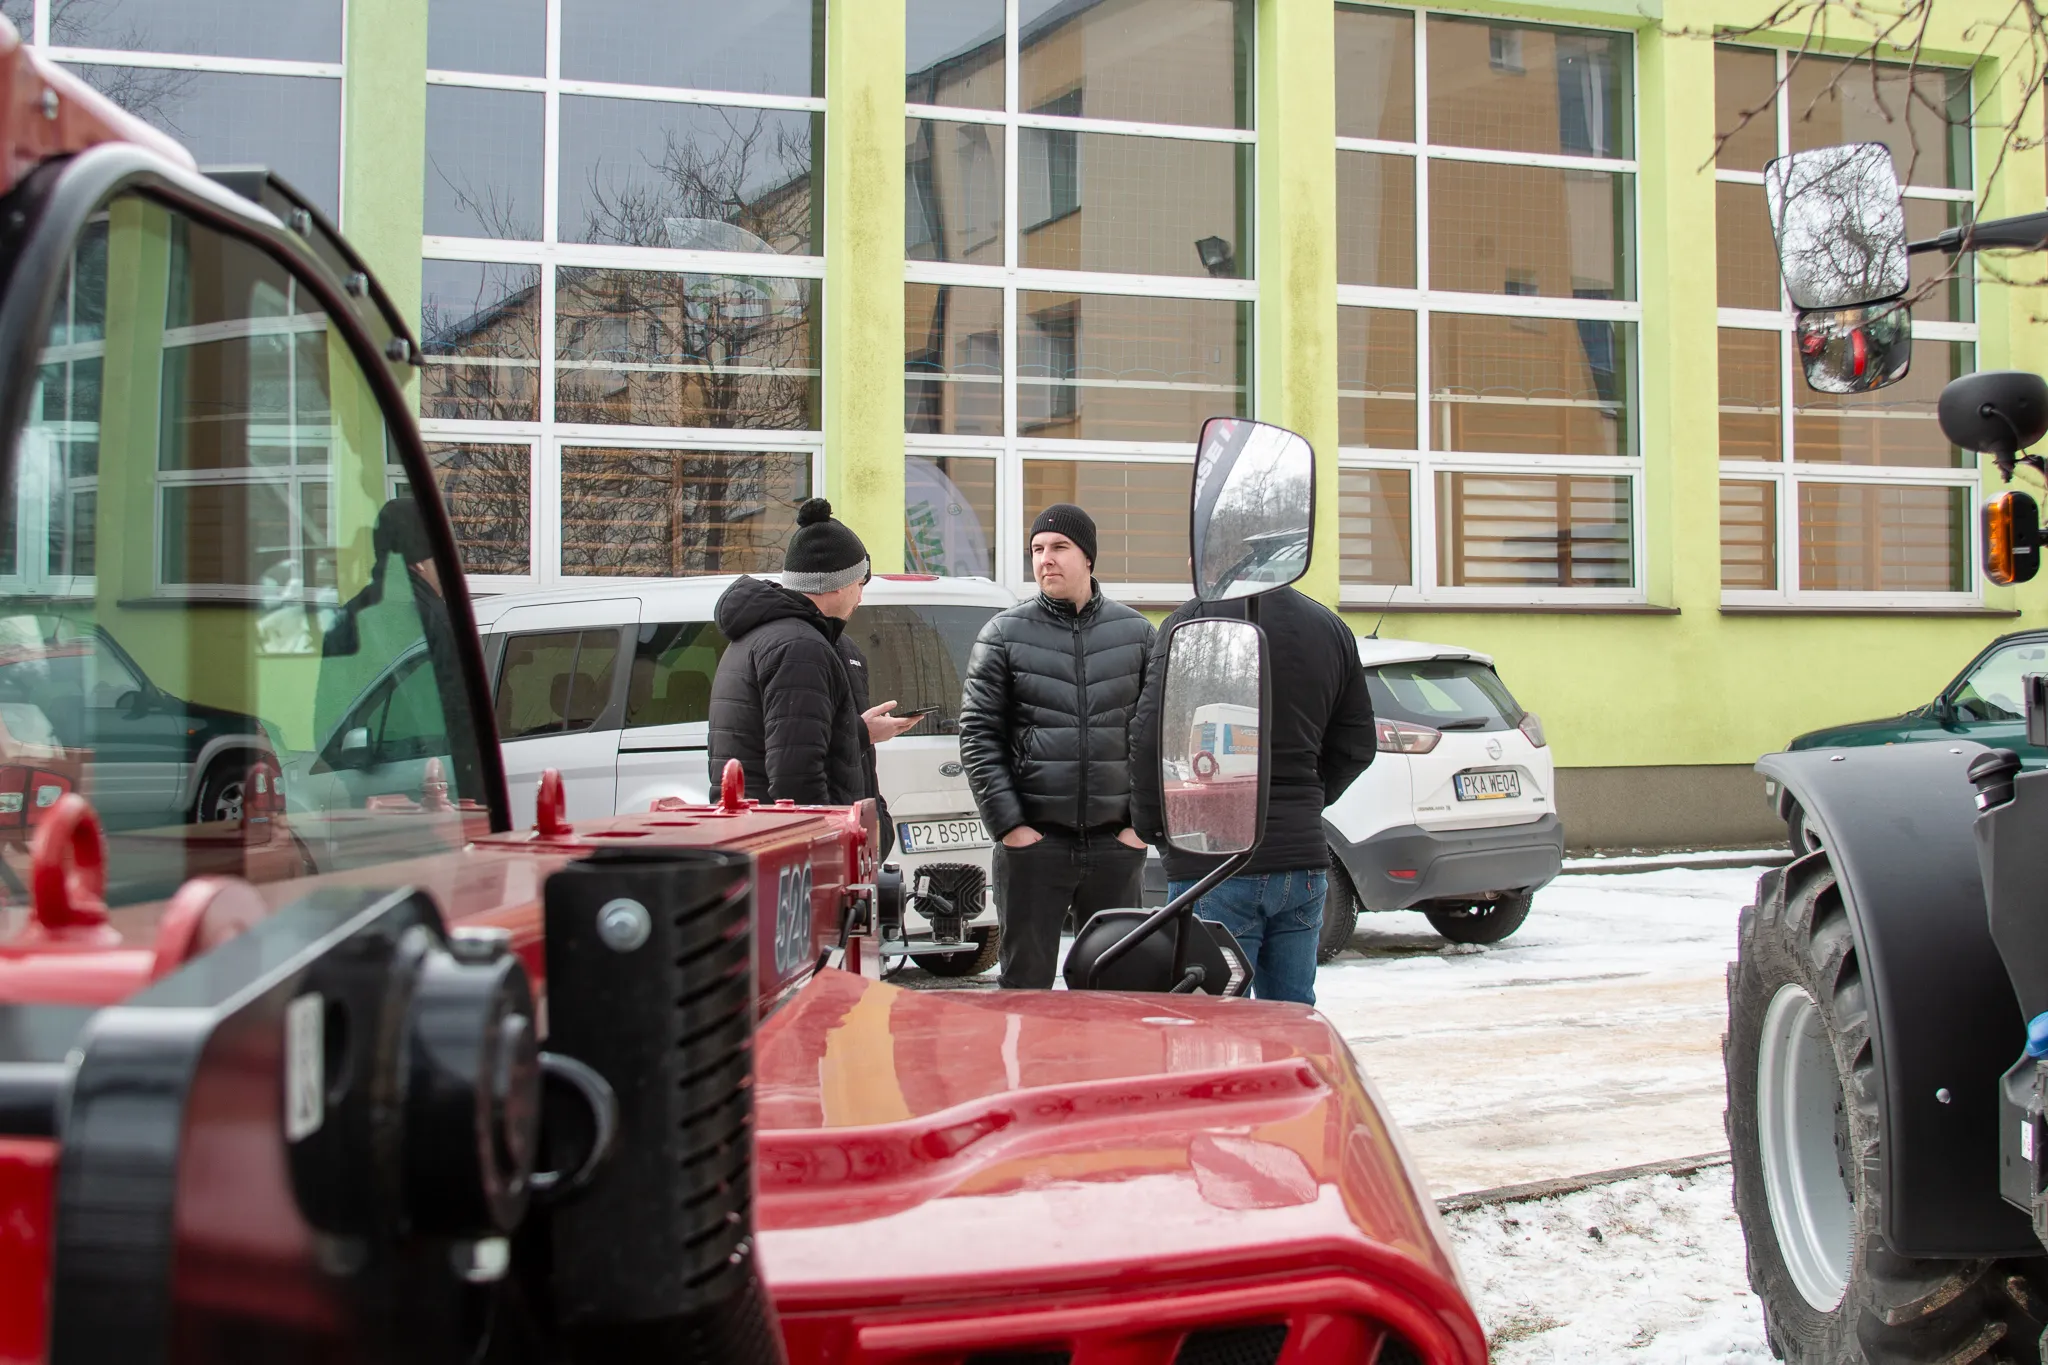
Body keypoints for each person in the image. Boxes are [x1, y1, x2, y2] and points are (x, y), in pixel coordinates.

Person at [1128, 584, 1376, 1005]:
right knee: (1293, 1018)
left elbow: (1148, 737)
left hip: (1213, 860)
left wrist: (1159, 825)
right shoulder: (1329, 626)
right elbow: (1356, 746)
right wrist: (1303, 801)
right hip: (1302, 861)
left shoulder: (1191, 625)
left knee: (1213, 1026)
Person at [959, 504, 1155, 989]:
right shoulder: (1003, 635)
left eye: (1059, 547)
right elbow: (979, 735)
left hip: (1116, 845)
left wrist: (1141, 826)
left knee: (1114, 993)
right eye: (1037, 549)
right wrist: (1011, 827)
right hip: (1034, 849)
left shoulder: (1137, 635)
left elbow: (1158, 737)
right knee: (1026, 991)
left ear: (1088, 557)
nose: (1046, 559)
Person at [708, 498, 883, 806]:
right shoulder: (800, 649)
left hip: (757, 833)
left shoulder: (761, 636)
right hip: (791, 844)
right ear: (837, 585)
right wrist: (826, 845)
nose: (860, 598)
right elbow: (797, 779)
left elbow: (795, 743)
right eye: (859, 584)